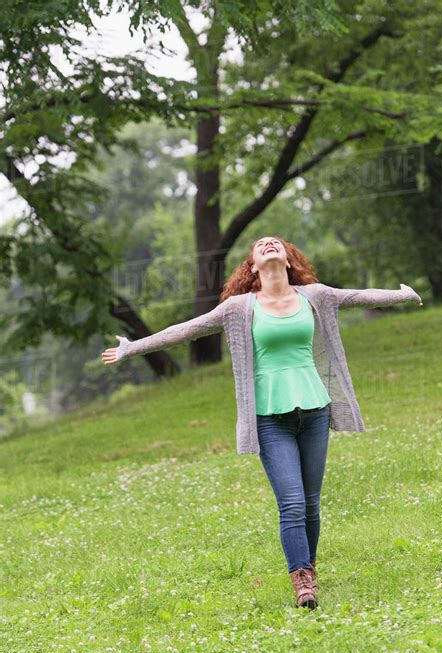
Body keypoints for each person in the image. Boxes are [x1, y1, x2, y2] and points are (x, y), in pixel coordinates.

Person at [102, 236, 423, 610]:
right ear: (253, 266)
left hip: (315, 410)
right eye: (261, 245)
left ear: (288, 259)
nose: (269, 244)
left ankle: (309, 567)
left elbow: (359, 296)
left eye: (276, 243)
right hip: (270, 419)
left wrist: (404, 295)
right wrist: (132, 347)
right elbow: (186, 329)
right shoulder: (239, 308)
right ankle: (302, 581)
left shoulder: (315, 296)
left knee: (311, 504)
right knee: (291, 502)